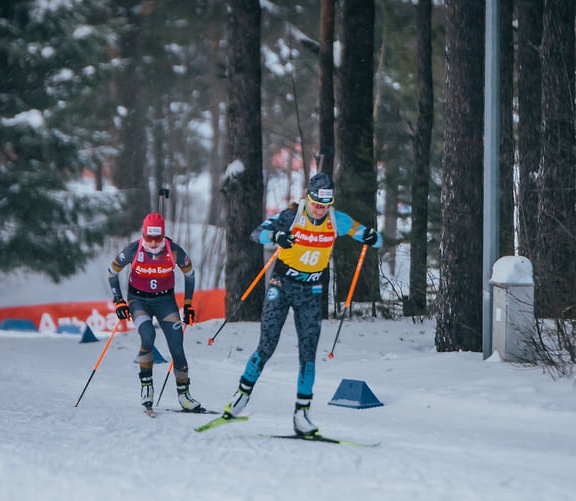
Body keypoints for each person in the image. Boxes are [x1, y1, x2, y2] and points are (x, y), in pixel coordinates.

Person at [220, 172, 383, 436]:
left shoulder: (335, 220)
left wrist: (371, 237)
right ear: (308, 198)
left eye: (325, 205)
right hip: (282, 285)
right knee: (267, 344)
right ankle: (241, 395)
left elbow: (368, 235)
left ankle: (301, 414)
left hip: (311, 291)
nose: (320, 210)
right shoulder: (290, 216)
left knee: (308, 355)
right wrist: (275, 238)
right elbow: (255, 233)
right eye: (316, 203)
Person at [106, 211, 204, 413]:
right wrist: (119, 301)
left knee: (177, 345)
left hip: (165, 301)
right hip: (138, 300)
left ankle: (184, 395)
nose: (152, 243)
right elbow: (112, 271)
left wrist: (188, 305)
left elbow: (190, 275)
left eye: (157, 237)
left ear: (163, 235)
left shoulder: (173, 251)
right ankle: (146, 388)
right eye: (148, 237)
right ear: (143, 235)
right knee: (147, 336)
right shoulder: (134, 249)